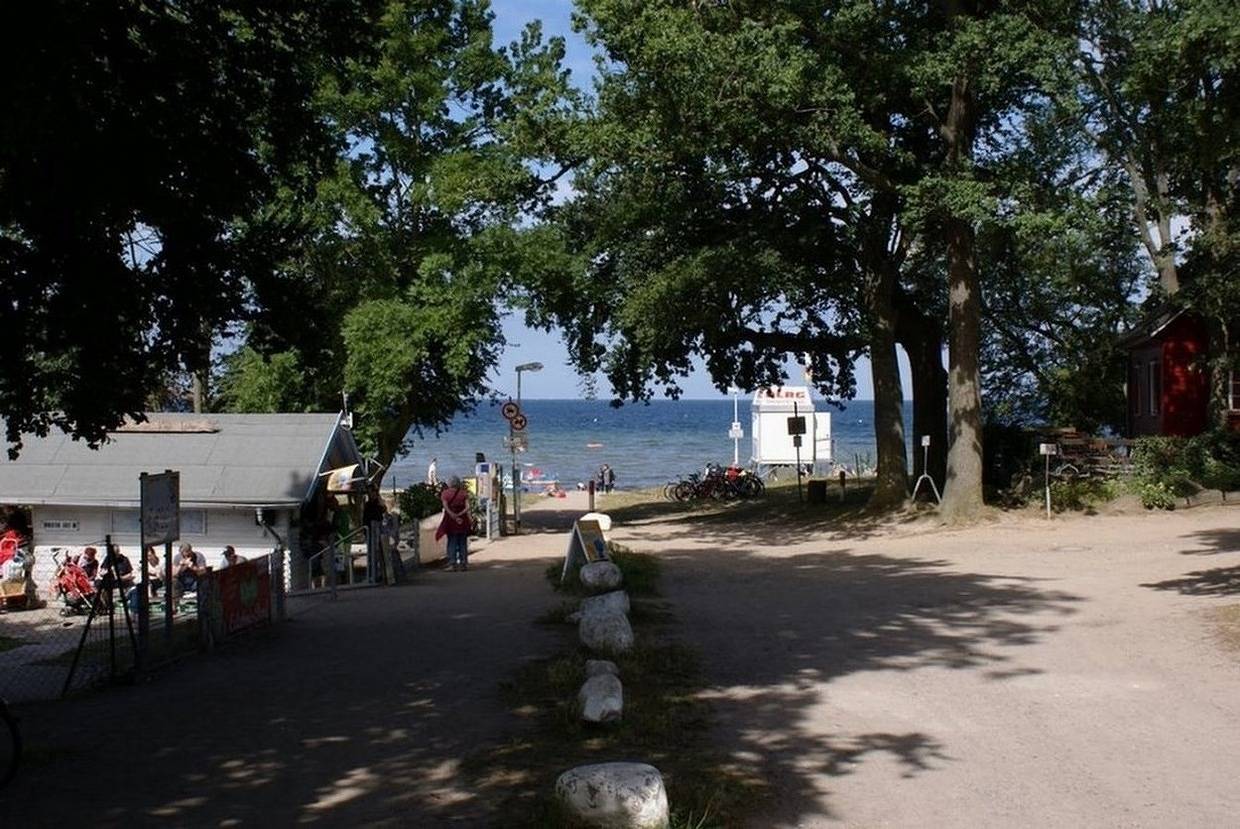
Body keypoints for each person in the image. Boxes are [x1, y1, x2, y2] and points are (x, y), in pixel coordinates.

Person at [436, 475, 472, 571]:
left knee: (452, 541)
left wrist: (453, 515)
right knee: (462, 542)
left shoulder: (445, 494)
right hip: (463, 520)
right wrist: (460, 514)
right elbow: (468, 507)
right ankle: (464, 563)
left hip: (450, 520)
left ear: (449, 483)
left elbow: (445, 506)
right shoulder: (464, 493)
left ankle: (452, 563)